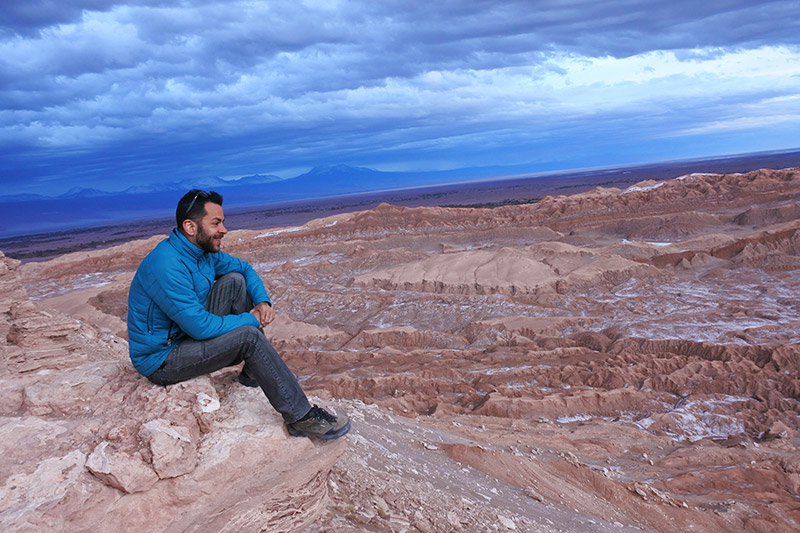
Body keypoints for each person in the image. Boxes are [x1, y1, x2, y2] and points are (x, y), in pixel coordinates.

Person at [127, 189, 350, 440]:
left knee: (234, 280)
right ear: (190, 226)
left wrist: (262, 302)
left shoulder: (200, 253)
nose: (224, 229)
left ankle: (253, 371)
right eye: (216, 223)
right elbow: (200, 328)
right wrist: (252, 319)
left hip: (183, 335)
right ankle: (301, 417)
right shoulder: (167, 264)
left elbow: (244, 269)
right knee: (248, 337)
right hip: (162, 358)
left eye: (222, 222)